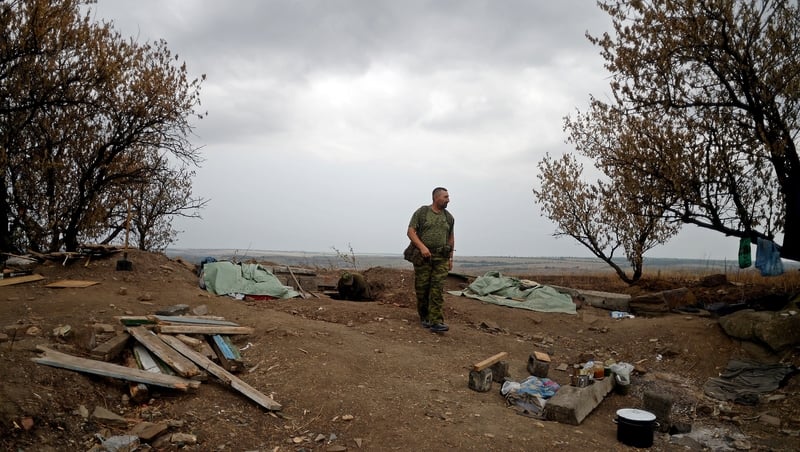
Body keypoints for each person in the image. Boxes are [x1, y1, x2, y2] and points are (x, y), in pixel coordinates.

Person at [407, 187, 455, 333]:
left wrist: (451, 258)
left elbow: (451, 237)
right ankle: (424, 317)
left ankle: (436, 321)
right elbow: (410, 231)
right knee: (422, 288)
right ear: (436, 198)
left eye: (448, 197)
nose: (448, 200)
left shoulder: (449, 217)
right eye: (446, 197)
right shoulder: (422, 212)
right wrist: (422, 247)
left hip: (441, 257)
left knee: (437, 288)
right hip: (423, 257)